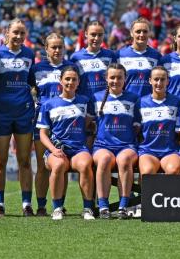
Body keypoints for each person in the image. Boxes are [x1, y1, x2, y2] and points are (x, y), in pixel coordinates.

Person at [36, 66, 96, 220]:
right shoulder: (48, 104)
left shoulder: (85, 101)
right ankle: (57, 208)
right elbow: (43, 134)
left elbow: (89, 124)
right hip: (56, 149)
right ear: (60, 81)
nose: (70, 82)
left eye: (74, 79)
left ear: (78, 82)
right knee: (58, 165)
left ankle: (88, 209)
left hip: (78, 149)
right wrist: (53, 150)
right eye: (67, 79)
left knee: (85, 164)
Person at [0, 19, 35, 216]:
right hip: (1, 113)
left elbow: (33, 82)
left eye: (22, 33)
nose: (18, 37)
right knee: (0, 160)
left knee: (24, 160)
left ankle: (26, 204)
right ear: (6, 33)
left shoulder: (29, 55)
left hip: (23, 112)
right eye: (15, 32)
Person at [29, 33, 74, 216]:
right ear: (46, 49)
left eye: (60, 47)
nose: (56, 50)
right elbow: (29, 89)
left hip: (65, 124)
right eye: (53, 47)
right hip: (43, 123)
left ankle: (59, 204)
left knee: (61, 164)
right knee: (42, 165)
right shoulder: (37, 69)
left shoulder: (71, 68)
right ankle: (41, 206)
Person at [92, 64, 141, 220]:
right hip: (102, 146)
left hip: (126, 146)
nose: (115, 80)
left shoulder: (133, 99)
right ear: (106, 78)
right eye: (112, 77)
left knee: (124, 160)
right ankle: (103, 206)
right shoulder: (96, 98)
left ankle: (123, 206)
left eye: (119, 77)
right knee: (105, 159)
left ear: (125, 79)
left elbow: (138, 127)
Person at [138, 66, 180, 178]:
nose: (159, 83)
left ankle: (169, 196)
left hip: (169, 151)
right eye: (156, 79)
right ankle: (143, 196)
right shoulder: (140, 103)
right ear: (150, 80)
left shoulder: (177, 102)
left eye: (162, 79)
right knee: (147, 172)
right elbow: (136, 130)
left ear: (168, 81)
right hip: (147, 150)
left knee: (173, 170)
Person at [71, 21, 117, 101]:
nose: (96, 38)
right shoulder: (76, 58)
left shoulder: (110, 55)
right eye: (93, 34)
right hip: (85, 105)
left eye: (100, 35)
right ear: (86, 34)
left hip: (106, 104)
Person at [119, 18, 161, 97]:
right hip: (127, 104)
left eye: (145, 31)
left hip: (148, 106)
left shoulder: (156, 56)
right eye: (138, 31)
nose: (141, 35)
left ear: (149, 33)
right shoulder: (120, 55)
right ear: (131, 33)